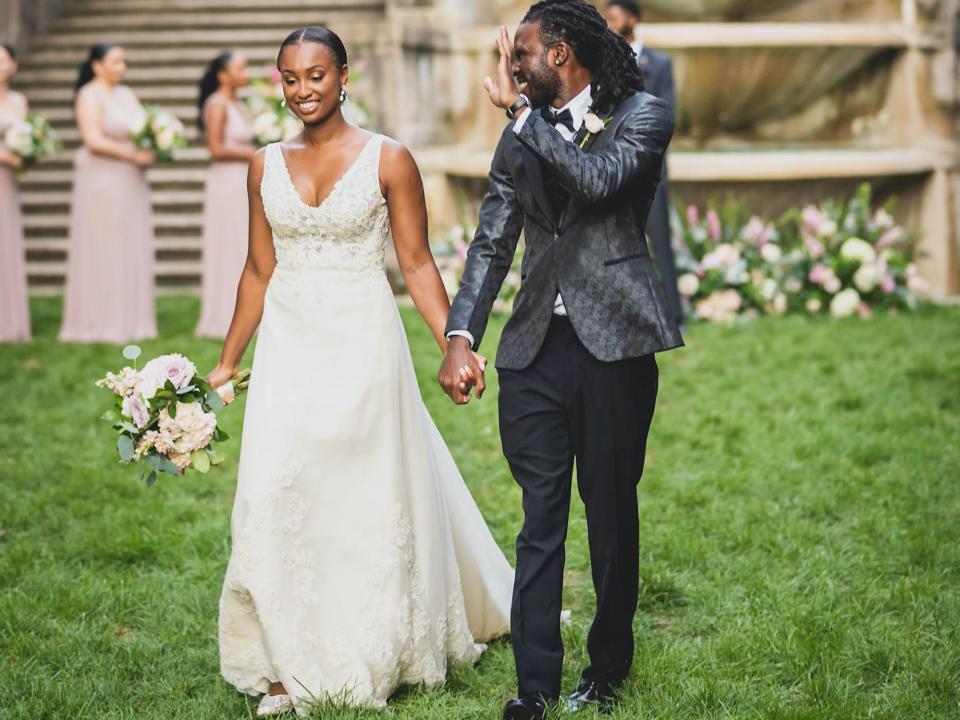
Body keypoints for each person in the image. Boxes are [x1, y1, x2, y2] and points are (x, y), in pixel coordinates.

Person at [205, 27, 512, 717]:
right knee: (274, 491)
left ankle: (371, 647)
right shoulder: (261, 166)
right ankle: (285, 659)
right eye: (290, 78)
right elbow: (258, 269)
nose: (303, 89)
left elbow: (415, 264)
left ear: (344, 76)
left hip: (362, 344)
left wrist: (453, 345)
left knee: (359, 495)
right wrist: (227, 363)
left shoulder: (389, 159)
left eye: (316, 75)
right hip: (288, 345)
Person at [438, 2, 682, 718]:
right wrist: (462, 336)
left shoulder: (643, 114)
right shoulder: (524, 133)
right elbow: (492, 239)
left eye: (524, 56)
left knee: (609, 515)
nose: (512, 70)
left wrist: (521, 115)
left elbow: (598, 181)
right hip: (534, 351)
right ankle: (535, 688)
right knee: (538, 519)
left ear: (563, 53)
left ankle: (606, 670)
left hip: (615, 349)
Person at [59, 43, 157, 343]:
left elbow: (146, 127)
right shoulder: (89, 94)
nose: (121, 67)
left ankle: (132, 319)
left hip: (130, 180)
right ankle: (98, 320)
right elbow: (92, 139)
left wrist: (155, 144)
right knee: (104, 244)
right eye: (115, 61)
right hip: (101, 179)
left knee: (129, 241)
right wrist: (132, 156)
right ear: (97, 65)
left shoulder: (126, 94)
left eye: (124, 61)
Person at [605, 0, 683, 326]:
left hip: (650, 172)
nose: (608, 23)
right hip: (613, 170)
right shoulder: (602, 64)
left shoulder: (659, 63)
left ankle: (675, 315)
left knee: (660, 243)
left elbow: (669, 115)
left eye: (614, 16)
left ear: (633, 19)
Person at [195, 50, 257, 338]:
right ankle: (223, 314)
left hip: (244, 179)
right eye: (240, 68)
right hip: (227, 182)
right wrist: (253, 152)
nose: (246, 74)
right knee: (230, 242)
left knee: (246, 242)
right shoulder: (217, 104)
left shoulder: (239, 103)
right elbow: (216, 148)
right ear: (223, 75)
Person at [0, 42, 32, 342]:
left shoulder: (20, 100)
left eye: (4, 60)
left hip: (7, 180)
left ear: (14, 65)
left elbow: (24, 135)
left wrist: (27, 153)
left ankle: (8, 321)